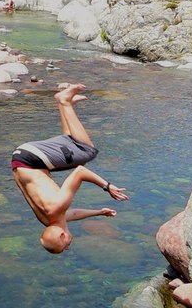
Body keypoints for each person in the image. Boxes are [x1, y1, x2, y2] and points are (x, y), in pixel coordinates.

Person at [11, 83, 129, 253]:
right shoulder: (48, 220)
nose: (67, 248)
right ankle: (65, 104)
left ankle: (64, 101)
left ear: (61, 236)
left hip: (31, 159)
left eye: (65, 246)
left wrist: (107, 186)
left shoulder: (57, 206)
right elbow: (71, 215)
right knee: (72, 149)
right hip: (24, 160)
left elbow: (80, 172)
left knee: (87, 152)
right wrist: (99, 212)